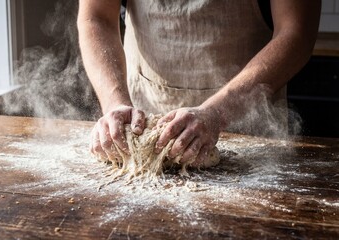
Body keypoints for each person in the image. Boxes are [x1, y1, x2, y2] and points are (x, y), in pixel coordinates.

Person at [77, 1, 321, 166]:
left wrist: (218, 112)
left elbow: (296, 32)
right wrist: (114, 103)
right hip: (146, 117)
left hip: (248, 128)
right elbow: (96, 17)